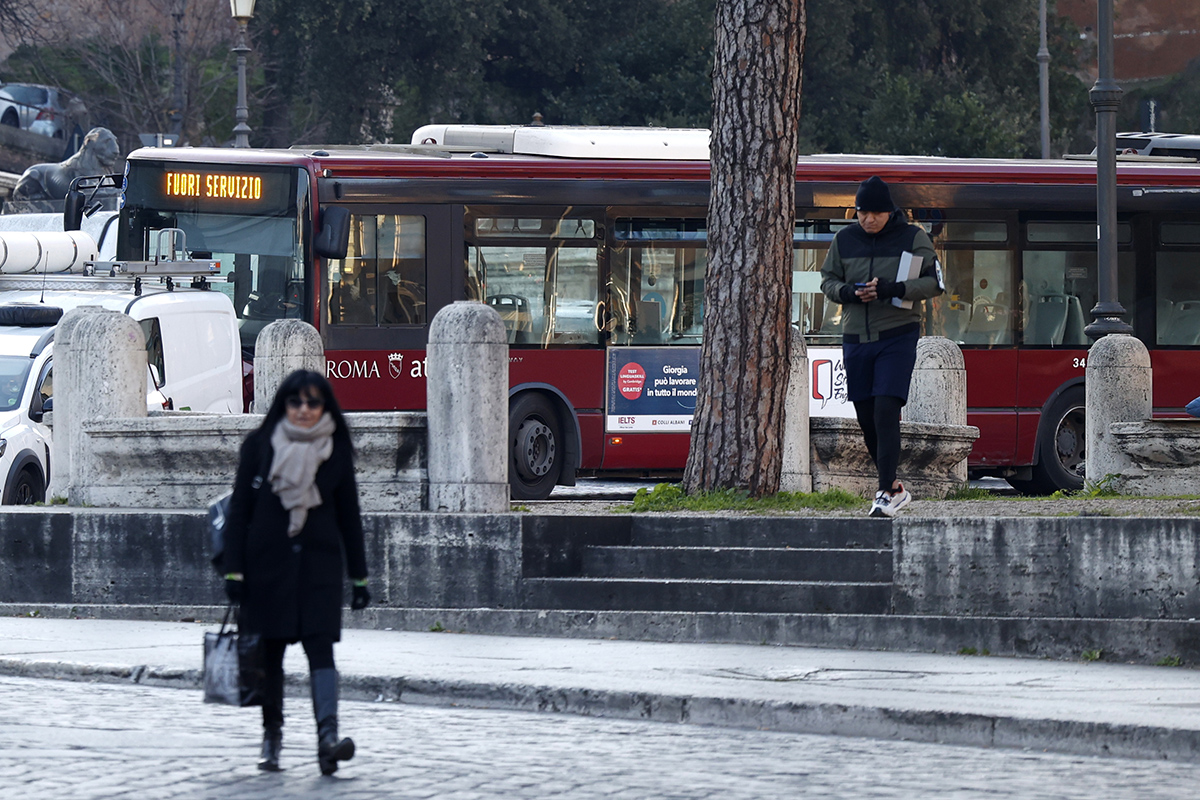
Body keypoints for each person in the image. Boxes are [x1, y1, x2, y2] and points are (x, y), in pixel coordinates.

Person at [223, 369, 371, 774]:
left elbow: (349, 516)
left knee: (321, 650)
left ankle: (328, 739)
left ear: (325, 407)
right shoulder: (259, 445)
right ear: (284, 404)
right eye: (296, 402)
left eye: (313, 402)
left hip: (318, 569)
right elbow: (239, 512)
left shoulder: (336, 448)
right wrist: (233, 571)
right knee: (269, 656)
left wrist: (359, 576)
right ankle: (272, 737)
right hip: (266, 568)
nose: (304, 410)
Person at [820, 176, 944, 517]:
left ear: (889, 212)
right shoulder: (844, 240)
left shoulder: (913, 237)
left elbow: (934, 283)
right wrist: (848, 293)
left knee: (886, 409)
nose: (868, 220)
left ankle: (884, 493)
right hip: (855, 337)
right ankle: (893, 488)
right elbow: (827, 280)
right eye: (862, 213)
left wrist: (893, 288)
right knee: (865, 417)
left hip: (897, 334)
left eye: (875, 213)